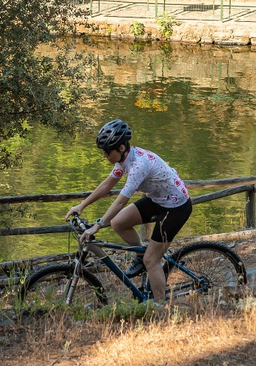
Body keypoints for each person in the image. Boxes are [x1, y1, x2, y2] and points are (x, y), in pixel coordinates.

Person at [65, 119, 192, 302]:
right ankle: (142, 256)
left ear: (122, 148)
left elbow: (119, 202)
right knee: (118, 222)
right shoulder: (125, 159)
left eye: (107, 152)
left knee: (152, 261)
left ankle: (160, 308)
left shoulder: (138, 166)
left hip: (176, 207)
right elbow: (108, 184)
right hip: (159, 199)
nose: (104, 156)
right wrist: (81, 205)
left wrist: (97, 226)